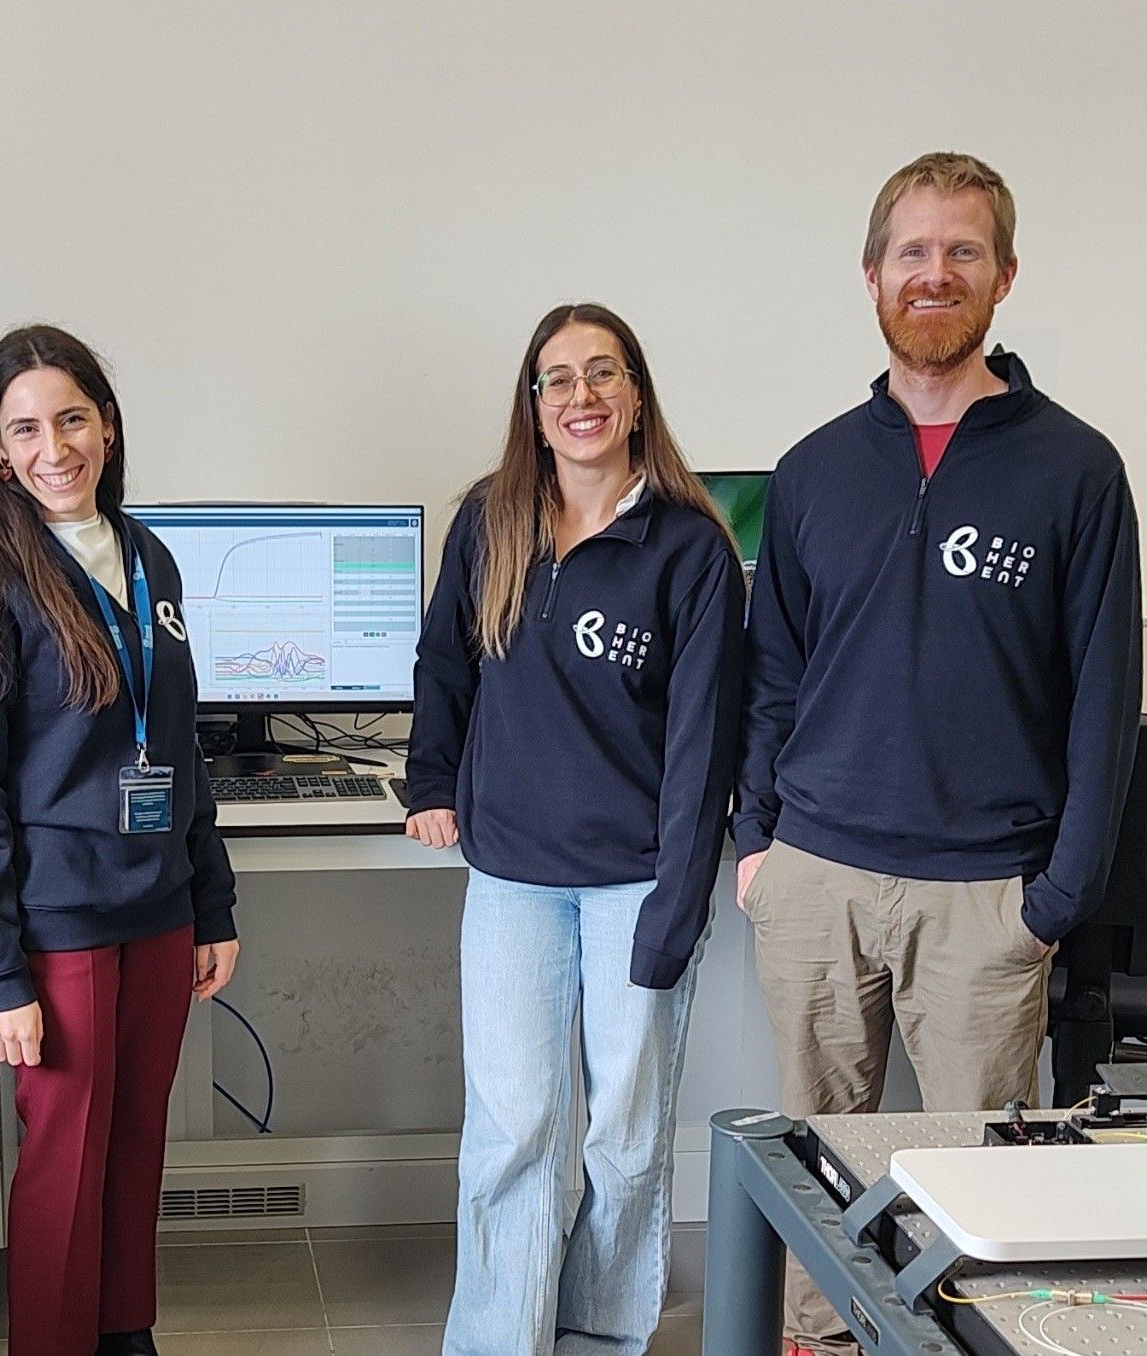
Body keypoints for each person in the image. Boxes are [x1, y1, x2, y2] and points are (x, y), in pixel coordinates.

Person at [734, 152, 1142, 1355]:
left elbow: (1103, 703)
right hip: (813, 879)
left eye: (962, 251)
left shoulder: (1076, 470)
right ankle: (820, 1343)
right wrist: (757, 848)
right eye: (911, 251)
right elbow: (771, 677)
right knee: (812, 1170)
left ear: (1003, 276)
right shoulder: (812, 472)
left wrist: (1056, 897)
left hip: (987, 898)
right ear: (870, 276)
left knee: (981, 1199)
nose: (934, 273)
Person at [405, 303, 745, 1355]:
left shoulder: (688, 549)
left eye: (603, 374)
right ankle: (500, 1339)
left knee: (625, 1139)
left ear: (637, 396)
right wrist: (430, 783)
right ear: (534, 406)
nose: (581, 395)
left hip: (634, 885)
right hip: (510, 877)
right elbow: (444, 666)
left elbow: (704, 746)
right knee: (510, 1132)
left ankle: (598, 1334)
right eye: (557, 378)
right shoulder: (490, 520)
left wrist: (677, 905)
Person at [0, 324, 239, 1356]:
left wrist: (213, 902)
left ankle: (124, 1330)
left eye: (71, 418)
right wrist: (1, 972)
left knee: (136, 1142)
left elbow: (179, 747)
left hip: (157, 909)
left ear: (106, 425)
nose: (53, 446)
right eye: (26, 428)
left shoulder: (148, 556)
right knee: (65, 1155)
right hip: (55, 921)